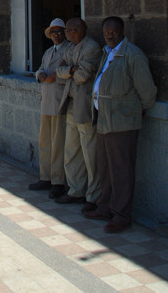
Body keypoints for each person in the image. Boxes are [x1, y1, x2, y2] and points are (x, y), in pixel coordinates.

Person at [85, 16, 157, 234]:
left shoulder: (132, 55)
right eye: (106, 31)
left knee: (121, 172)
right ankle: (104, 207)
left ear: (122, 31)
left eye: (114, 31)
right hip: (104, 121)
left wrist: (135, 110)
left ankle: (122, 215)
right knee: (105, 169)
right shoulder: (107, 53)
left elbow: (147, 91)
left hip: (122, 122)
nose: (109, 35)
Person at [55, 18, 101, 211]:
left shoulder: (91, 48)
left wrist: (70, 70)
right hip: (71, 102)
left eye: (69, 30)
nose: (66, 33)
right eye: (66, 30)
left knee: (90, 152)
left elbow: (83, 76)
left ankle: (93, 195)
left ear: (79, 30)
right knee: (71, 149)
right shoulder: (69, 48)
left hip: (85, 104)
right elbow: (59, 70)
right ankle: (75, 190)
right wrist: (72, 69)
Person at [29, 18, 70, 199]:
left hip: (60, 103)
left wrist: (54, 76)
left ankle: (58, 182)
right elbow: (39, 70)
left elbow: (68, 71)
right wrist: (42, 75)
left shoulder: (69, 51)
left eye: (59, 32)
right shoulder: (48, 52)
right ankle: (45, 177)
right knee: (44, 142)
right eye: (53, 32)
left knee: (58, 144)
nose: (56, 35)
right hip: (46, 103)